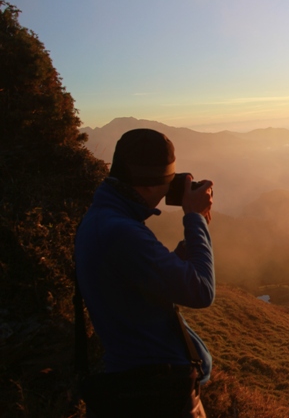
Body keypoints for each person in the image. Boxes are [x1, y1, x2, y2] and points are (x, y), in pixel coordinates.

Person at [74, 128, 214, 416]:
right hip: (158, 396)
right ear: (149, 186)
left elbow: (137, 284)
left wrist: (180, 255)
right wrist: (195, 218)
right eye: (168, 182)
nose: (169, 191)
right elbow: (201, 291)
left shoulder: (106, 218)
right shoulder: (120, 231)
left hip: (151, 385)